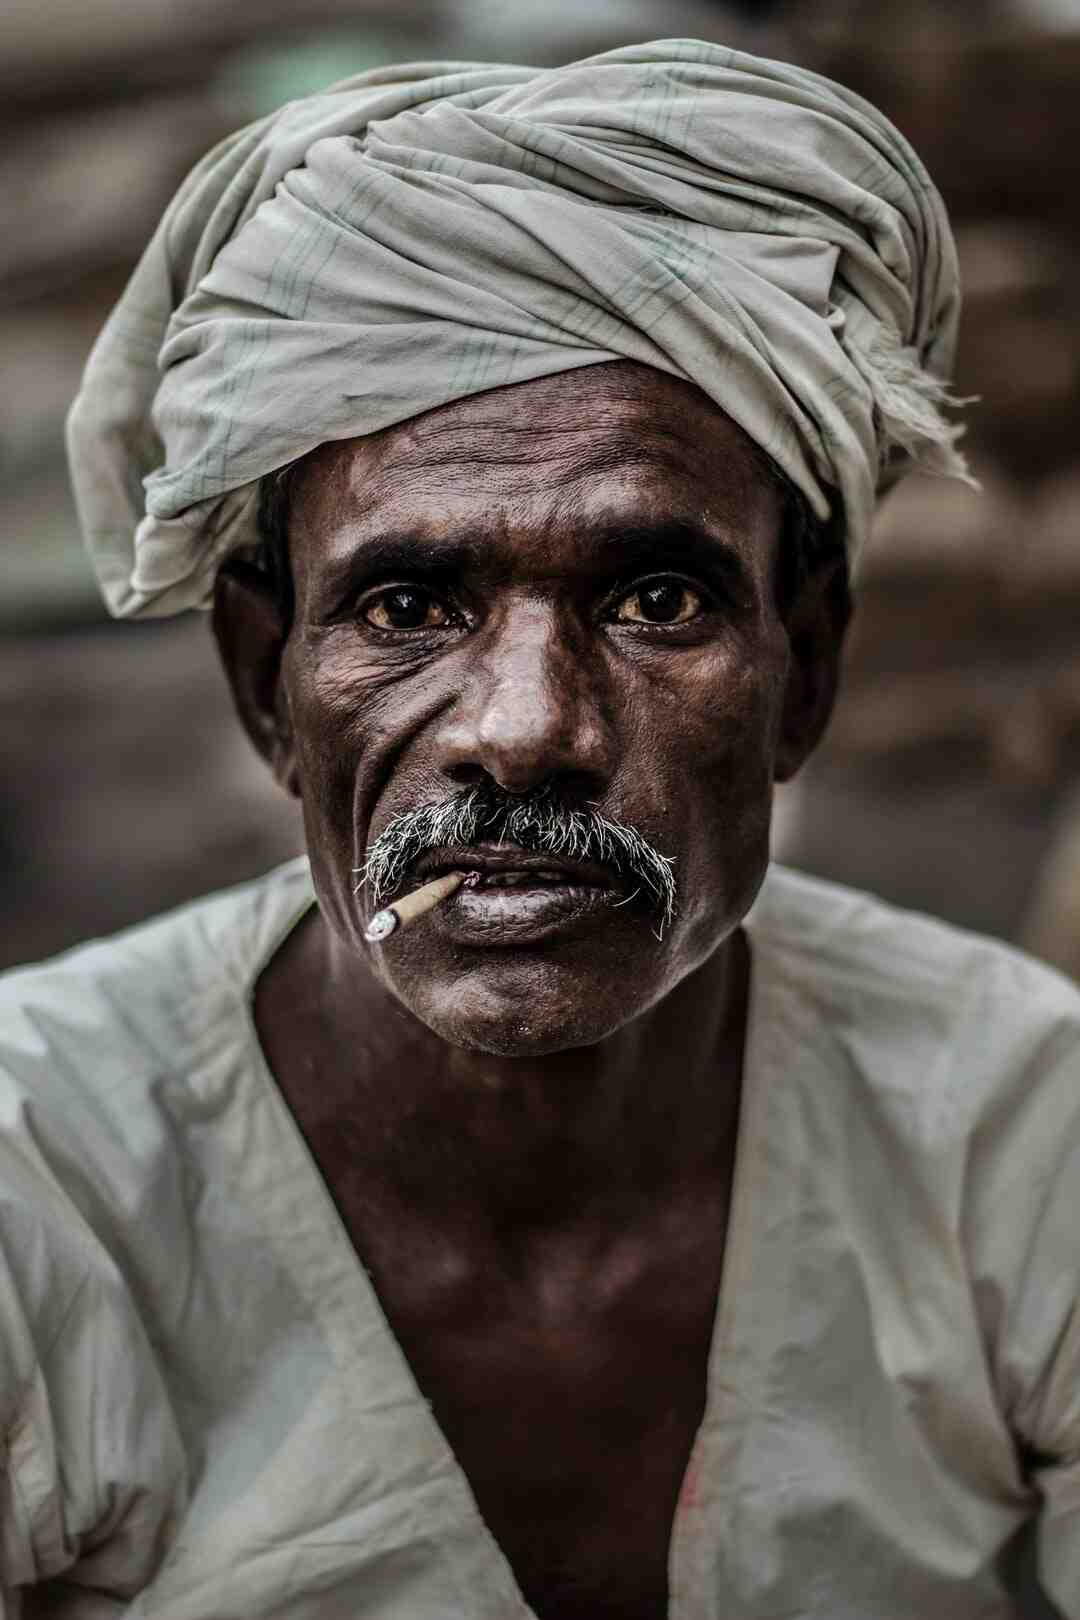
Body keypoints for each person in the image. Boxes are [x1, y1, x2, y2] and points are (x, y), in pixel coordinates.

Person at [2, 37, 1077, 1620]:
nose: (527, 730)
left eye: (656, 598)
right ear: (262, 682)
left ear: (809, 667)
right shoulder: (39, 1175)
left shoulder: (1017, 1127)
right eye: (408, 604)